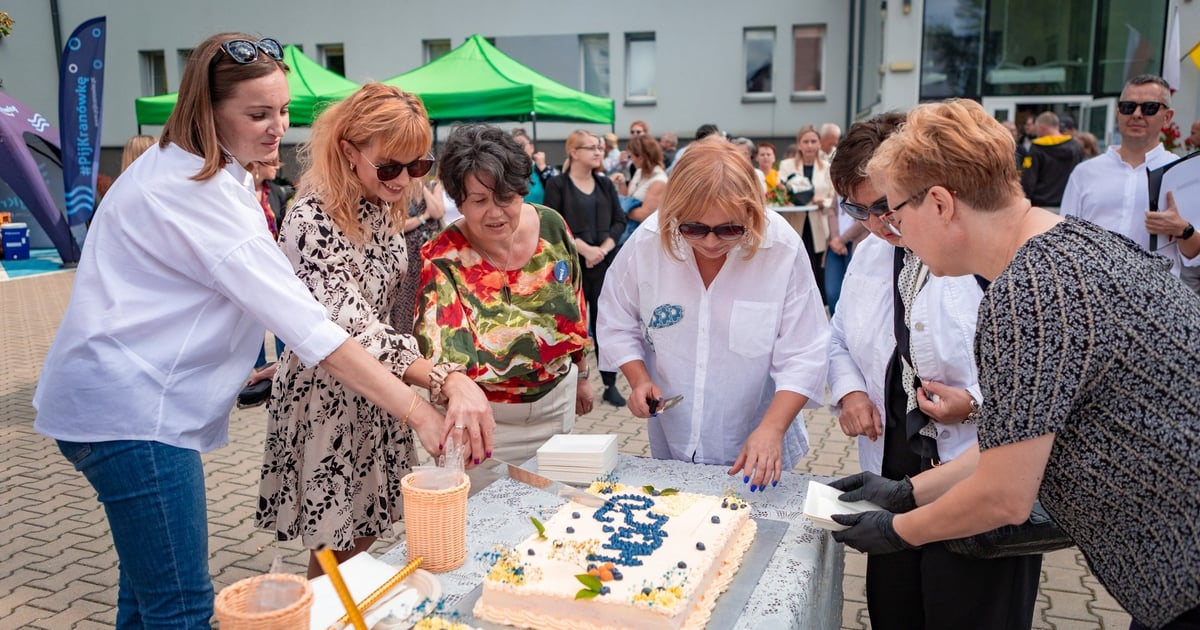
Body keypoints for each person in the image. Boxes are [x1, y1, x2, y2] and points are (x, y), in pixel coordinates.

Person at [31, 33, 483, 628]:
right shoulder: (199, 195)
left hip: (129, 408)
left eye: (283, 111)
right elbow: (313, 328)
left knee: (145, 597)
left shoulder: (209, 175)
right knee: (183, 607)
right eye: (257, 114)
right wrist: (421, 409)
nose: (277, 128)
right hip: (135, 415)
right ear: (208, 110)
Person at [829, 98, 1200, 630]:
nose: (895, 233)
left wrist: (897, 532)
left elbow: (1005, 495)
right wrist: (907, 492)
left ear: (939, 203)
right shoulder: (1068, 248)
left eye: (896, 211)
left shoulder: (1027, 292)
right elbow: (1014, 448)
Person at [255, 83, 495, 578]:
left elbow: (385, 306)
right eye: (391, 166)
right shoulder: (311, 218)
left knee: (365, 534)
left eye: (418, 166)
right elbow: (354, 326)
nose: (405, 178)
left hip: (381, 392)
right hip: (332, 399)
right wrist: (442, 377)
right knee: (333, 551)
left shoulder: (377, 205)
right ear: (348, 150)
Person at [827, 112, 1041, 629]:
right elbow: (838, 338)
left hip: (978, 478)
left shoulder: (996, 261)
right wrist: (851, 392)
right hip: (895, 472)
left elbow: (1043, 390)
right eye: (859, 209)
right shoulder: (869, 256)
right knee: (896, 611)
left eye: (884, 205)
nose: (879, 225)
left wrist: (974, 403)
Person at [596, 137, 829, 492]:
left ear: (751, 213)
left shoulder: (781, 248)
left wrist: (772, 428)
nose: (709, 243)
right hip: (672, 441)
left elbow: (806, 351)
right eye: (693, 229)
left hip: (759, 445)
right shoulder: (647, 242)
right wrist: (639, 377)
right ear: (674, 212)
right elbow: (616, 318)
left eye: (730, 229)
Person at [415, 123, 593, 489]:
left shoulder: (552, 227)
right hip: (485, 424)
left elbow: (575, 305)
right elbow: (445, 357)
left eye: (506, 198)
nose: (495, 213)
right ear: (458, 201)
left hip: (555, 407)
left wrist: (583, 375)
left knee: (556, 518)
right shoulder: (442, 258)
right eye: (479, 201)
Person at [1061, 75, 1199, 275]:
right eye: (1128, 107)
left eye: (1149, 107)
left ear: (1167, 117)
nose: (1136, 114)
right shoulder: (1085, 173)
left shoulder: (1181, 173)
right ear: (1118, 113)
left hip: (1156, 298)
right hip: (1093, 295)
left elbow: (1195, 256)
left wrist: (1182, 230)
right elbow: (1063, 239)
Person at [545, 129, 628, 408]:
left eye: (600, 148)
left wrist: (602, 249)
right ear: (574, 152)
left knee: (604, 323)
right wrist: (584, 249)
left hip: (603, 264)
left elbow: (619, 220)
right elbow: (553, 224)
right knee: (572, 324)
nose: (598, 152)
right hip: (571, 267)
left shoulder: (604, 184)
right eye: (591, 147)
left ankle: (610, 383)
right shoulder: (559, 185)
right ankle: (571, 380)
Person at [777, 124, 834, 303]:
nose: (809, 145)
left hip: (819, 222)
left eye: (813, 141)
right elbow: (781, 193)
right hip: (796, 222)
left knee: (817, 266)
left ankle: (817, 303)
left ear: (819, 143)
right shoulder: (787, 166)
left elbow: (833, 196)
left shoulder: (826, 167)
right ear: (799, 144)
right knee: (795, 263)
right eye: (806, 141)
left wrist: (822, 202)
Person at [1019, 111, 1083, 213]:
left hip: (1042, 207)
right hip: (1068, 206)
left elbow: (1028, 179)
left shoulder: (1036, 148)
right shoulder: (1075, 147)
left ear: (1042, 127)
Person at [614, 134, 668, 243]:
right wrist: (622, 183)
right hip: (631, 231)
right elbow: (627, 197)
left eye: (632, 156)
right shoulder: (639, 171)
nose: (631, 160)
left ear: (641, 157)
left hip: (644, 237)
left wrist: (619, 209)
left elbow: (644, 215)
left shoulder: (659, 181)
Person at [510, 127, 558, 205]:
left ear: (532, 147)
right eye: (515, 146)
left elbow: (559, 188)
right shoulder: (509, 173)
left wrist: (543, 168)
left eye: (522, 145)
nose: (519, 149)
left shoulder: (541, 170)